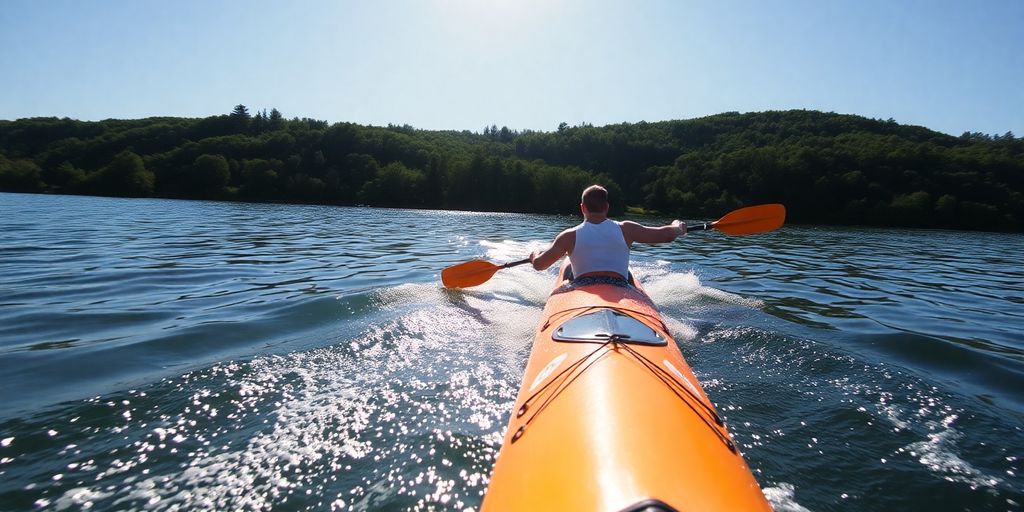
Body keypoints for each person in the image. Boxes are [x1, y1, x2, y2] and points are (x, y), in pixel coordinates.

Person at [529, 185, 686, 282]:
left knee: (566, 278)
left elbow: (540, 265)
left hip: (583, 285)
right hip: (619, 285)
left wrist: (535, 254)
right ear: (606, 207)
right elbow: (666, 235)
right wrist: (677, 226)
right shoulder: (627, 229)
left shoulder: (568, 236)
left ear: (582, 208)